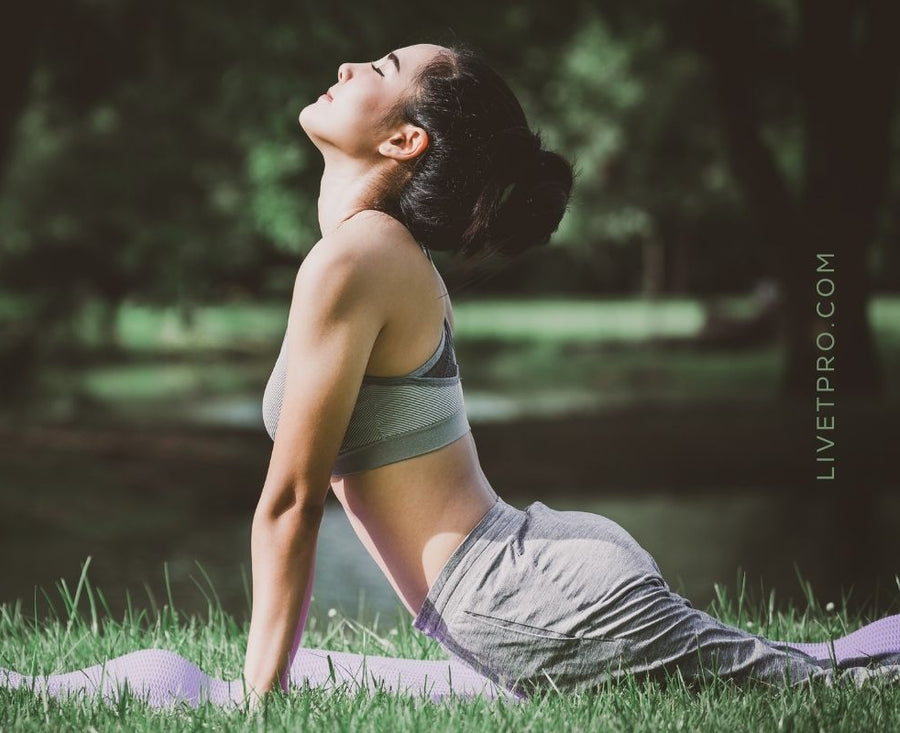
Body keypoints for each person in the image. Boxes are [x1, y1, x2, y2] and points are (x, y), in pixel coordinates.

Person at [246, 40, 900, 702]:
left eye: (380, 68)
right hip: (537, 576)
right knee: (819, 667)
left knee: (834, 690)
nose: (345, 68)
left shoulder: (359, 258)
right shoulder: (375, 253)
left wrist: (258, 706)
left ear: (405, 139)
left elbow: (293, 501)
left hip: (528, 597)